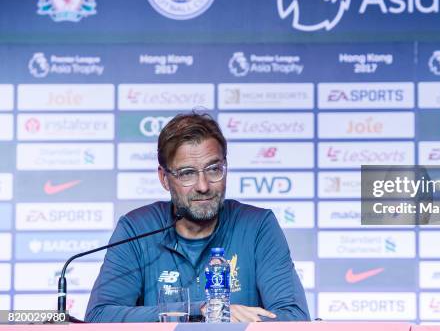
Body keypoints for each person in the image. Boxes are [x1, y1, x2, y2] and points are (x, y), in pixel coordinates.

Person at [85, 112, 310, 322]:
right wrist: (203, 310)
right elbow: (99, 316)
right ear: (164, 178)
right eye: (187, 173)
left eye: (213, 169)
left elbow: (294, 317)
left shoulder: (258, 226)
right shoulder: (136, 229)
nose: (203, 186)